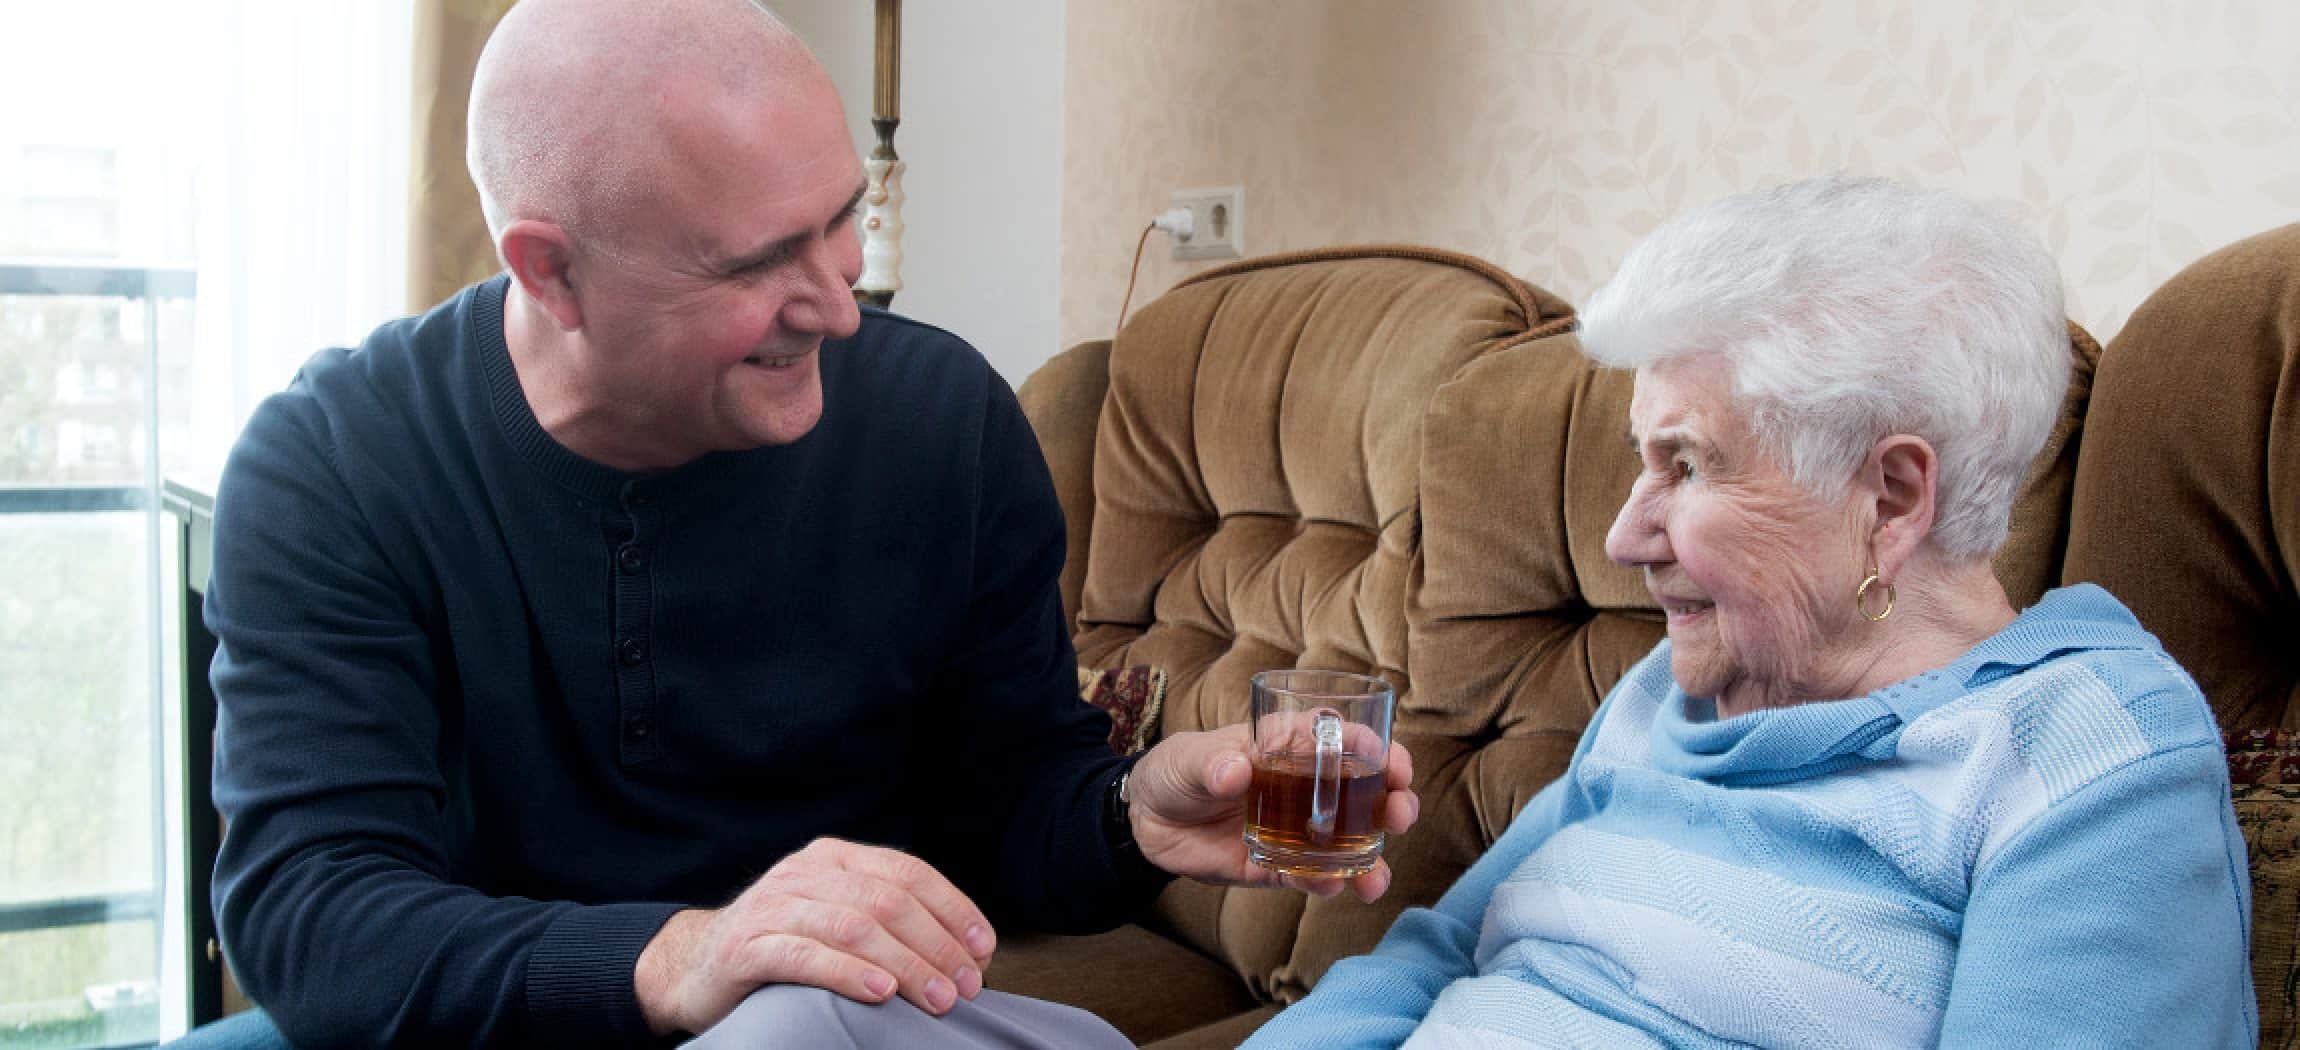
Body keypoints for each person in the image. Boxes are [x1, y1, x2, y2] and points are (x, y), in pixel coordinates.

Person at [173, 1, 1418, 1047]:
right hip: (502, 1012)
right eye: (756, 264)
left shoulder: (939, 420)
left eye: (841, 221)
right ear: (547, 270)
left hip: (821, 1026)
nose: (834, 304)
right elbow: (310, 908)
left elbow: (1005, 810)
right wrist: (682, 955)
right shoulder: (329, 464)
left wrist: (1124, 814)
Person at [1243, 176, 2255, 1049]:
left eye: (1682, 465)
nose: (1622, 538)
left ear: (1890, 499)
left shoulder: (2083, 762)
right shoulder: (1665, 697)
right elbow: (1432, 951)